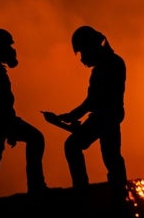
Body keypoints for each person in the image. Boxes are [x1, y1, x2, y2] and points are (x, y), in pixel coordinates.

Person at [57, 25, 130, 216]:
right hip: (108, 116)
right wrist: (73, 116)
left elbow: (93, 101)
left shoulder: (108, 66)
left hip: (105, 117)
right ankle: (119, 194)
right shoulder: (112, 63)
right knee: (111, 155)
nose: (82, 58)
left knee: (74, 146)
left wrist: (72, 116)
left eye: (83, 51)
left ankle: (84, 192)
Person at [0, 28, 48, 203]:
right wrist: (7, 128)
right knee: (34, 139)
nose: (10, 50)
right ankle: (36, 187)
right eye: (6, 46)